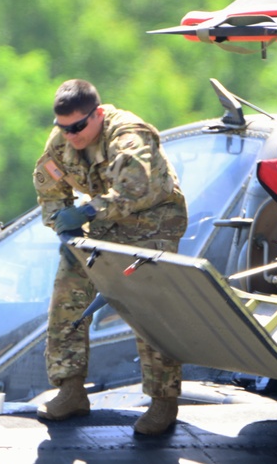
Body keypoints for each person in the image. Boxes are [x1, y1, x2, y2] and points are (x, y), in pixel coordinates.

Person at [32, 79, 188, 435]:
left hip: (154, 223)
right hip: (104, 222)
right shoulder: (63, 142)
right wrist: (61, 223)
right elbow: (49, 186)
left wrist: (86, 213)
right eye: (63, 128)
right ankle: (70, 389)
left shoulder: (129, 135)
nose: (70, 135)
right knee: (67, 295)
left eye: (77, 127)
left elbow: (137, 189)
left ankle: (163, 400)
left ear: (98, 114)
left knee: (147, 306)